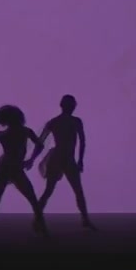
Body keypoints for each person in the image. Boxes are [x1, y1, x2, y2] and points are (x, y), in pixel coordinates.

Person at [0, 105, 49, 239]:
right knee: (32, 200)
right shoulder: (25, 131)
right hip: (11, 167)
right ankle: (44, 232)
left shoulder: (4, 134)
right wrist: (31, 160)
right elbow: (40, 145)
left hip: (6, 166)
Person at [37, 94, 94, 229]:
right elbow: (82, 142)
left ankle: (37, 218)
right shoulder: (74, 121)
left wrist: (32, 158)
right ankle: (85, 220)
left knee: (50, 190)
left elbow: (40, 141)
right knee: (75, 190)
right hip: (66, 159)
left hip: (60, 158)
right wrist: (80, 160)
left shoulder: (54, 122)